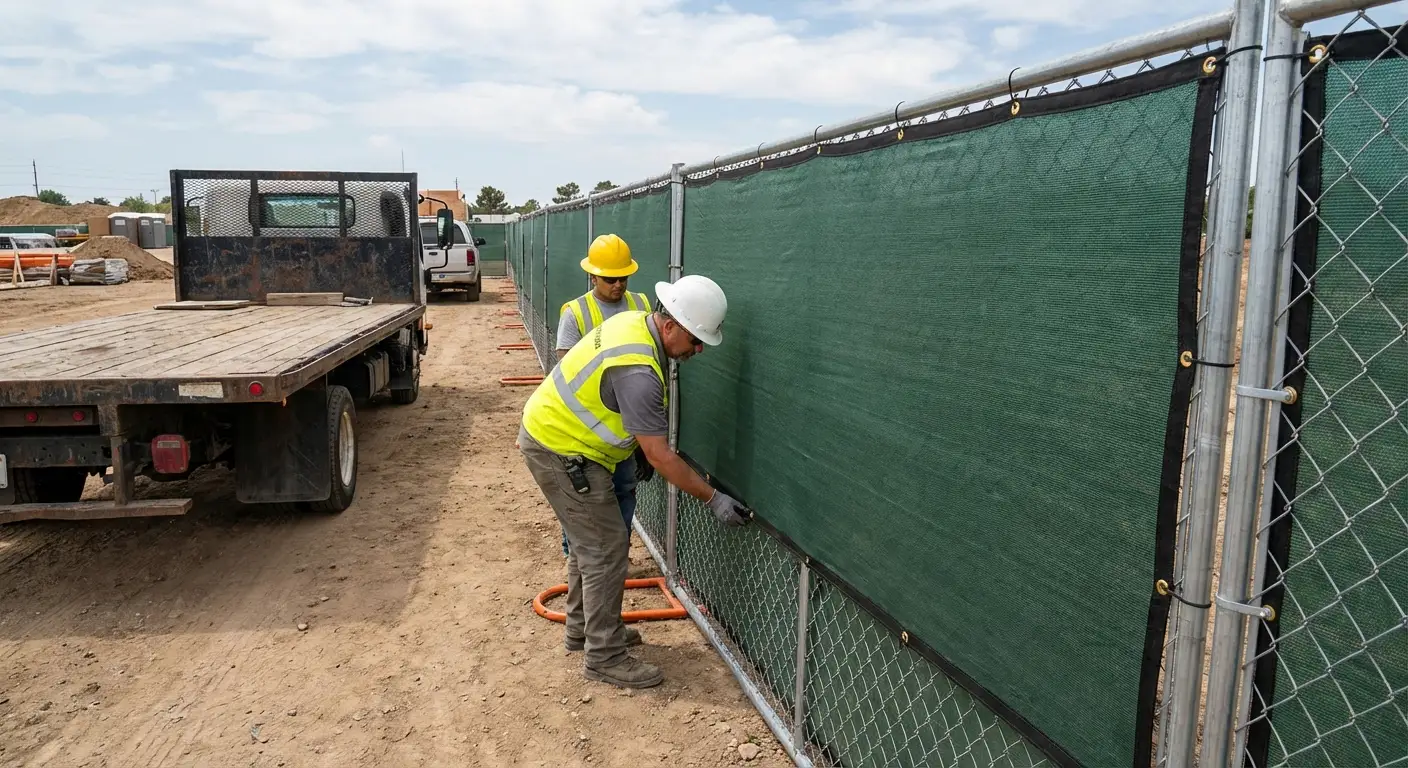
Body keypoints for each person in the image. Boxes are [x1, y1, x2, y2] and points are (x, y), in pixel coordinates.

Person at [519, 275, 752, 689]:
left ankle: (584, 629)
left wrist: (632, 450)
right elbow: (661, 455)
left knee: (592, 545)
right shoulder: (640, 370)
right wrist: (713, 497)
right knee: (606, 548)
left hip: (558, 438)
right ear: (670, 325)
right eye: (696, 340)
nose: (698, 350)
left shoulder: (634, 323)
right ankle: (604, 656)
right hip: (561, 449)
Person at [554, 234, 653, 557]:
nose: (619, 284)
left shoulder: (641, 306)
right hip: (585, 431)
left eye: (624, 277)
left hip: (625, 427)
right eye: (611, 278)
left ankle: (616, 558)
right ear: (593, 275)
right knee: (582, 498)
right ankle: (577, 559)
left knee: (624, 489)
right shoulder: (577, 313)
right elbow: (566, 373)